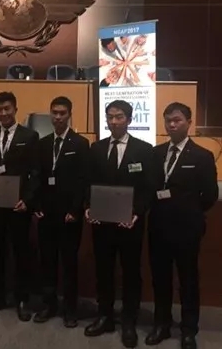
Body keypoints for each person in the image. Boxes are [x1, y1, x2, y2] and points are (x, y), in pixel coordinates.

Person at [145, 102, 218, 349]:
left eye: (177, 120)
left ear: (189, 123)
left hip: (187, 229)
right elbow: (150, 188)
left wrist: (189, 212)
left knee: (188, 280)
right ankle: (162, 324)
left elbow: (210, 196)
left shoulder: (202, 156)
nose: (172, 125)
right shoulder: (155, 153)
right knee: (160, 279)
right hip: (158, 227)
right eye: (168, 120)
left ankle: (188, 330)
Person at [84, 100, 152, 349]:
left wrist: (137, 212)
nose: (114, 121)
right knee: (103, 270)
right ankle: (105, 315)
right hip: (101, 221)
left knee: (130, 272)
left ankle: (129, 321)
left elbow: (147, 188)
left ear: (129, 120)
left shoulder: (144, 150)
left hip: (129, 223)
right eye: (110, 117)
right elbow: (88, 181)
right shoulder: (96, 148)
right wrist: (88, 206)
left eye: (119, 117)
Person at [0, 91, 39, 322]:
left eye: (7, 109)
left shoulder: (30, 136)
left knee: (21, 253)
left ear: (15, 109)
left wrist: (28, 200)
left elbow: (35, 172)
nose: (3, 113)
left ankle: (22, 299)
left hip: (18, 206)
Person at [33, 96, 89, 328]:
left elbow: (83, 180)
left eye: (62, 113)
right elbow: (36, 177)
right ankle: (49, 304)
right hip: (46, 213)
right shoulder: (43, 143)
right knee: (47, 261)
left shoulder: (80, 144)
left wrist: (75, 210)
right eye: (54, 113)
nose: (58, 117)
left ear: (69, 115)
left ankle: (70, 308)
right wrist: (36, 205)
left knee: (69, 263)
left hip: (69, 215)